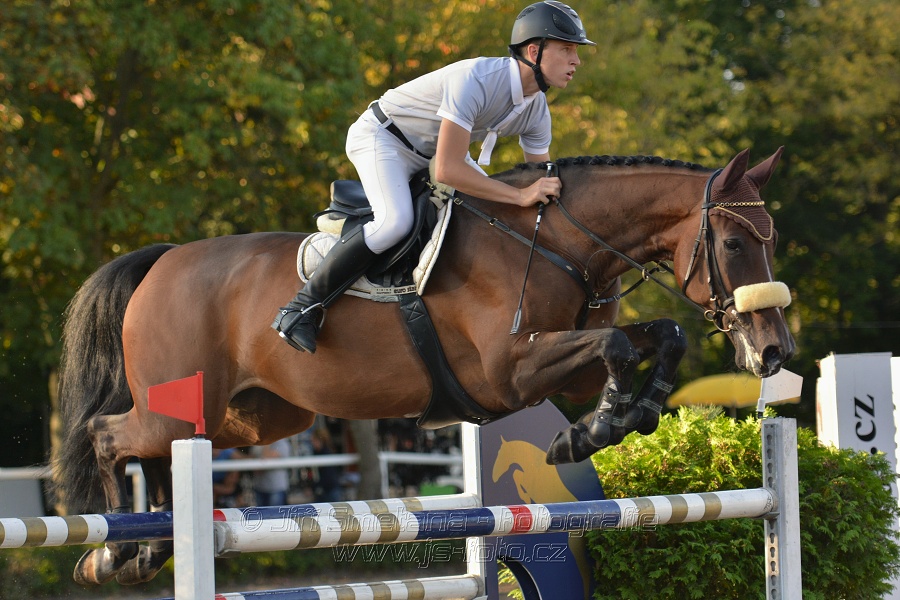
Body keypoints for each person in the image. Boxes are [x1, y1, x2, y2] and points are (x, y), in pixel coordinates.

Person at [272, 1, 595, 353]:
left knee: (481, 216)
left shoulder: (536, 109)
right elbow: (447, 170)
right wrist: (518, 196)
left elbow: (540, 182)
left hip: (429, 154)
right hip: (383, 138)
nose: (576, 61)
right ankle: (300, 308)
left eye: (575, 52)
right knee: (394, 223)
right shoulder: (476, 79)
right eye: (566, 49)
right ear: (534, 51)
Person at [251, 438, 292, 506]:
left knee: (276, 515)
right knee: (261, 515)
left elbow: (265, 460)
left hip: (276, 489)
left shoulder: (282, 444)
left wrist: (266, 442)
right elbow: (255, 466)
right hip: (260, 488)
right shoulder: (258, 443)